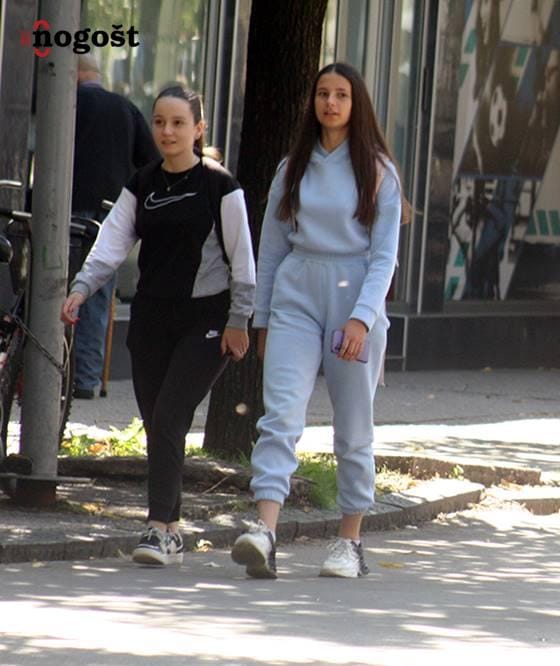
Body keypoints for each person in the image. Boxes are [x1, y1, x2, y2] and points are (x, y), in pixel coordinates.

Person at [62, 86, 256, 566]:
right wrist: (82, 288)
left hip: (206, 319)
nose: (167, 132)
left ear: (198, 129)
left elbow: (243, 261)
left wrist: (238, 320)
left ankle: (156, 528)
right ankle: (172, 529)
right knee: (157, 423)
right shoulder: (142, 182)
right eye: (160, 122)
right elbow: (112, 242)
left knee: (169, 415)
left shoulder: (220, 186)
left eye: (178, 123)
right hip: (151, 318)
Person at [230, 63, 404, 580]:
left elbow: (384, 256)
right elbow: (272, 246)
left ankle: (350, 541)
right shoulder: (293, 167)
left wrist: (362, 320)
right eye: (323, 94)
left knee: (353, 428)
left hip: (355, 301)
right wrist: (263, 318)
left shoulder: (378, 171)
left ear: (356, 104)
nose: (330, 103)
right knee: (280, 416)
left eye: (341, 95)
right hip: (296, 297)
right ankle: (265, 531)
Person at [71, 54, 159, 400]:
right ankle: (86, 379)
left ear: (74, 74)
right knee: (96, 294)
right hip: (110, 211)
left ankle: (48, 373)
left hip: (65, 208)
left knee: (54, 289)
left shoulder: (65, 104)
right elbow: (150, 161)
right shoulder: (125, 108)